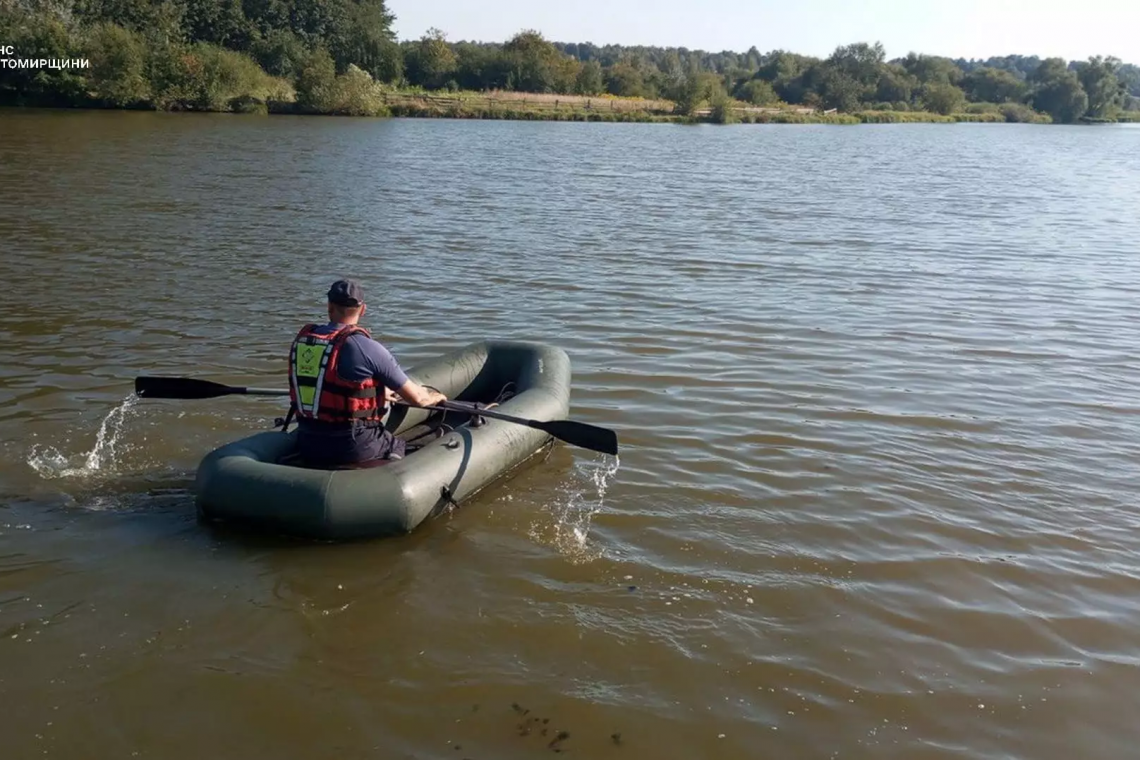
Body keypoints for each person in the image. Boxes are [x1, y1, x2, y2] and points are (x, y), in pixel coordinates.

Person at [286, 279, 446, 468]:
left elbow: (321, 381)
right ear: (363, 310)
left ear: (329, 306)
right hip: (353, 446)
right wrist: (437, 396)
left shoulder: (304, 341)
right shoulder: (368, 348)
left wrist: (379, 392)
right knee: (400, 445)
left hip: (309, 441)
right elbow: (418, 399)